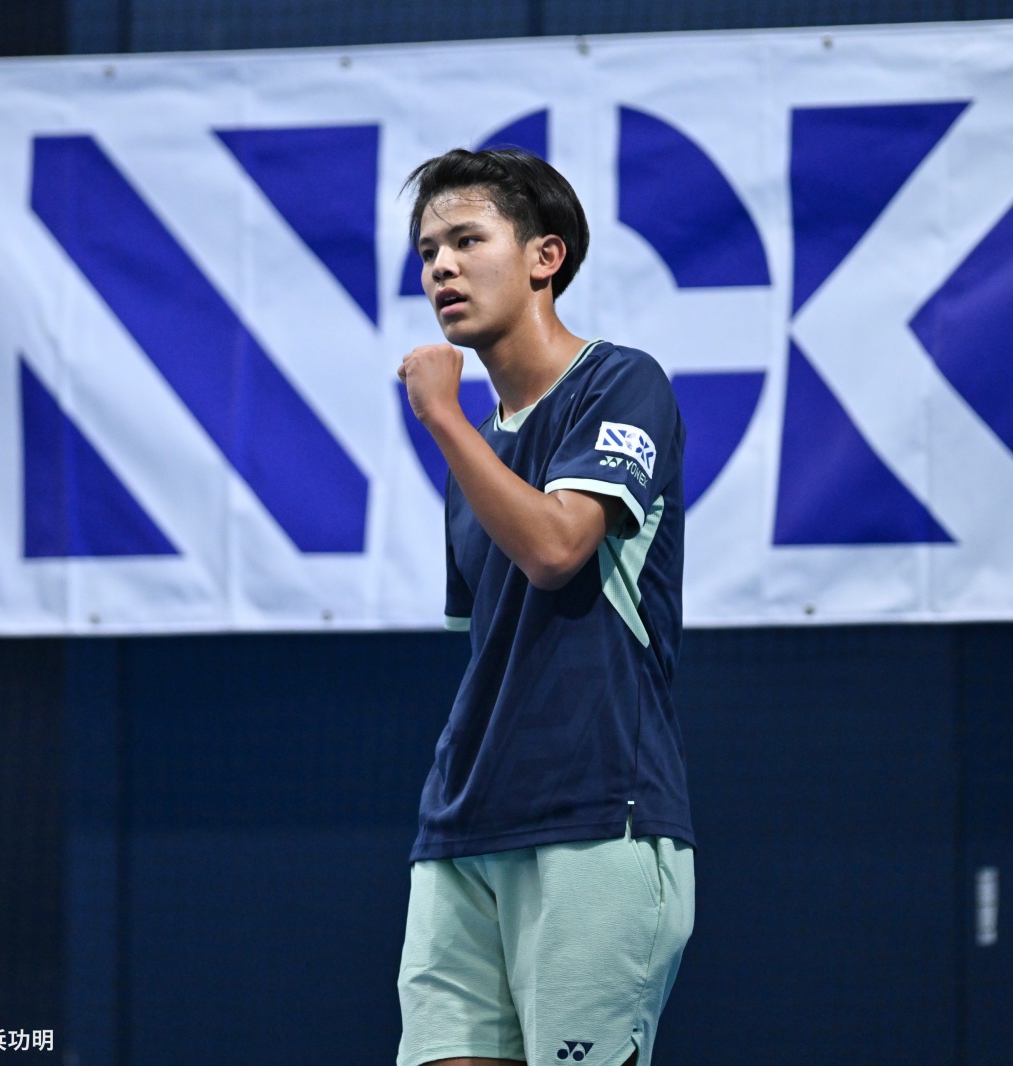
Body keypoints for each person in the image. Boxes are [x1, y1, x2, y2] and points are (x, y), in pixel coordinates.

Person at [394, 146, 696, 1066]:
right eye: (428, 251)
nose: (441, 267)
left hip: (596, 818)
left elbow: (560, 549)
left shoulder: (621, 382)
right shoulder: (476, 458)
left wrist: (443, 418)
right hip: (463, 826)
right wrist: (462, 433)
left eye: (466, 240)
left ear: (544, 257)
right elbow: (491, 650)